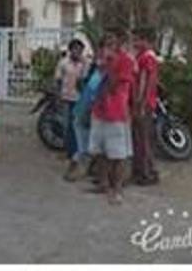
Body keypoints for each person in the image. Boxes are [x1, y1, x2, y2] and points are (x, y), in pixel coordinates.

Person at [88, 28, 136, 205]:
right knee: (99, 150)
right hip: (99, 111)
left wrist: (109, 64)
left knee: (118, 153)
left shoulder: (125, 60)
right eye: (105, 43)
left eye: (111, 43)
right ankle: (103, 183)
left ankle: (117, 189)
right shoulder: (102, 60)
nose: (107, 47)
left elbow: (114, 84)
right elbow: (92, 83)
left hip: (116, 113)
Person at [65, 39, 107, 181]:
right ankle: (81, 163)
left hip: (95, 109)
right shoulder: (94, 68)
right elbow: (82, 83)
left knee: (91, 140)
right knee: (81, 135)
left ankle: (85, 166)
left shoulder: (106, 71)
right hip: (83, 106)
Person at [54, 39, 88, 180]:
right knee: (67, 125)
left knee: (76, 126)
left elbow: (85, 80)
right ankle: (69, 151)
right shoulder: (63, 63)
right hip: (66, 97)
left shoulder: (84, 63)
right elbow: (58, 79)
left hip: (79, 99)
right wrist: (58, 95)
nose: (77, 52)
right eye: (74, 49)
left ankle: (76, 152)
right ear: (70, 50)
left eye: (79, 50)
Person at [131, 26, 160, 185]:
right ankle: (141, 170)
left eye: (137, 39)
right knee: (139, 138)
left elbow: (145, 81)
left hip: (144, 102)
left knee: (143, 139)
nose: (134, 43)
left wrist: (140, 102)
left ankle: (146, 173)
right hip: (144, 101)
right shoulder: (143, 56)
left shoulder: (147, 57)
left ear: (145, 40)